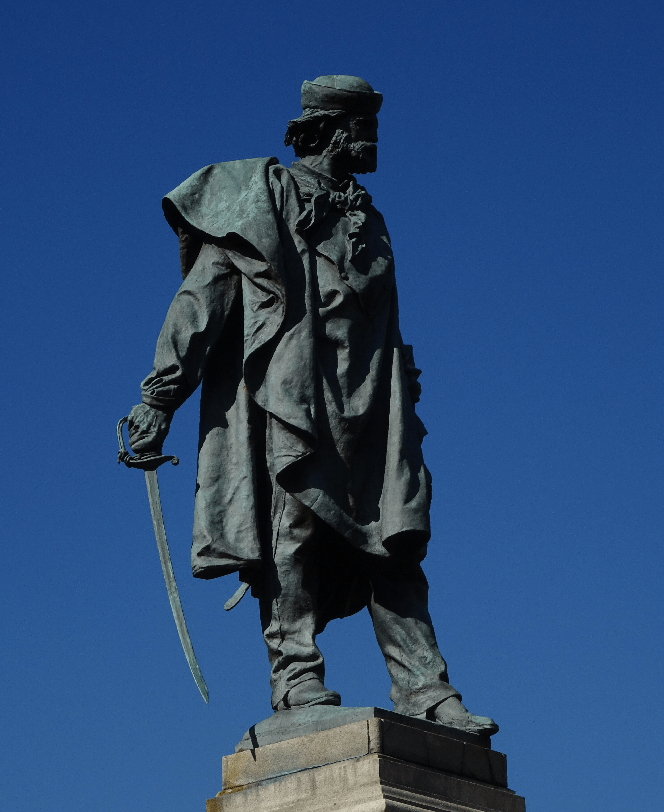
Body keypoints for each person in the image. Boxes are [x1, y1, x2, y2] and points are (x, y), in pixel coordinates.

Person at [127, 75, 497, 736]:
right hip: (290, 397)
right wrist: (160, 396)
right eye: (363, 128)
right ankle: (295, 674)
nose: (372, 140)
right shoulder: (258, 200)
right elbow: (201, 303)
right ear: (327, 130)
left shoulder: (369, 215)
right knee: (292, 536)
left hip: (370, 405)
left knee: (395, 542)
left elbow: (376, 317)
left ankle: (426, 689)